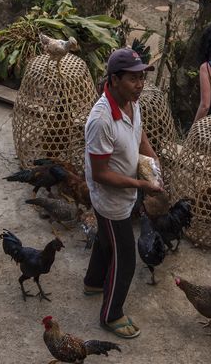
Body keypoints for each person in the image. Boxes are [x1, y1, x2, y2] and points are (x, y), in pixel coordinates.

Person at [83, 47, 163, 340]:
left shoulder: (131, 102)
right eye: (133, 78)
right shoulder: (101, 120)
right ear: (114, 80)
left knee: (107, 241)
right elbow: (101, 174)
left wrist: (153, 162)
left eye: (142, 78)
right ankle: (111, 314)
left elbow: (139, 135)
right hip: (110, 199)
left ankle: (93, 282)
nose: (140, 84)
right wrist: (141, 185)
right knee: (126, 257)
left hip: (124, 192)